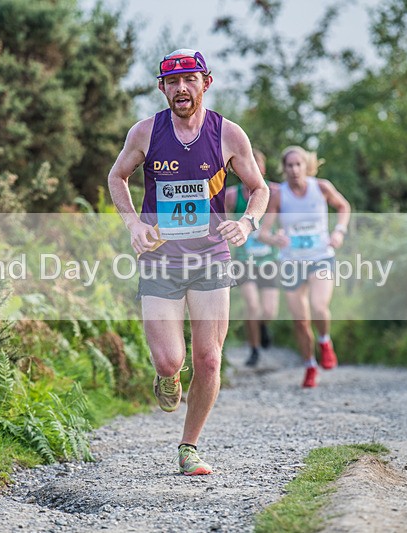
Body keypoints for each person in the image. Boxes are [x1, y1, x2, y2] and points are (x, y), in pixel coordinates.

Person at [107, 48, 269, 475]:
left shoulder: (228, 134)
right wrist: (132, 224)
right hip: (160, 258)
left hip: (211, 256)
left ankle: (189, 447)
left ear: (206, 83)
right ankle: (167, 376)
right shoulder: (145, 132)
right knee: (168, 360)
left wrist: (248, 223)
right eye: (173, 82)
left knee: (210, 358)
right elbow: (117, 176)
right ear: (162, 88)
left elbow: (259, 188)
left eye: (190, 80)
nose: (182, 88)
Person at [259, 146, 350, 388]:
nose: (294, 169)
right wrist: (275, 239)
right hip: (291, 262)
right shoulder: (278, 195)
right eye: (289, 165)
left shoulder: (321, 187)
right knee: (300, 321)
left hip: (321, 257)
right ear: (284, 168)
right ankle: (310, 365)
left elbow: (343, 207)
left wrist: (339, 232)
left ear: (306, 165)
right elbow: (263, 232)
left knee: (319, 307)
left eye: (298, 164)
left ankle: (325, 341)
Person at [224, 149, 280, 367]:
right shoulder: (232, 195)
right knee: (252, 305)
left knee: (269, 311)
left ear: (263, 169)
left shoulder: (274, 192)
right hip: (243, 259)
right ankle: (254, 349)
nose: (252, 169)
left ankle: (263, 327)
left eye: (257, 165)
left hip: (268, 260)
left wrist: (282, 234)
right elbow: (221, 221)